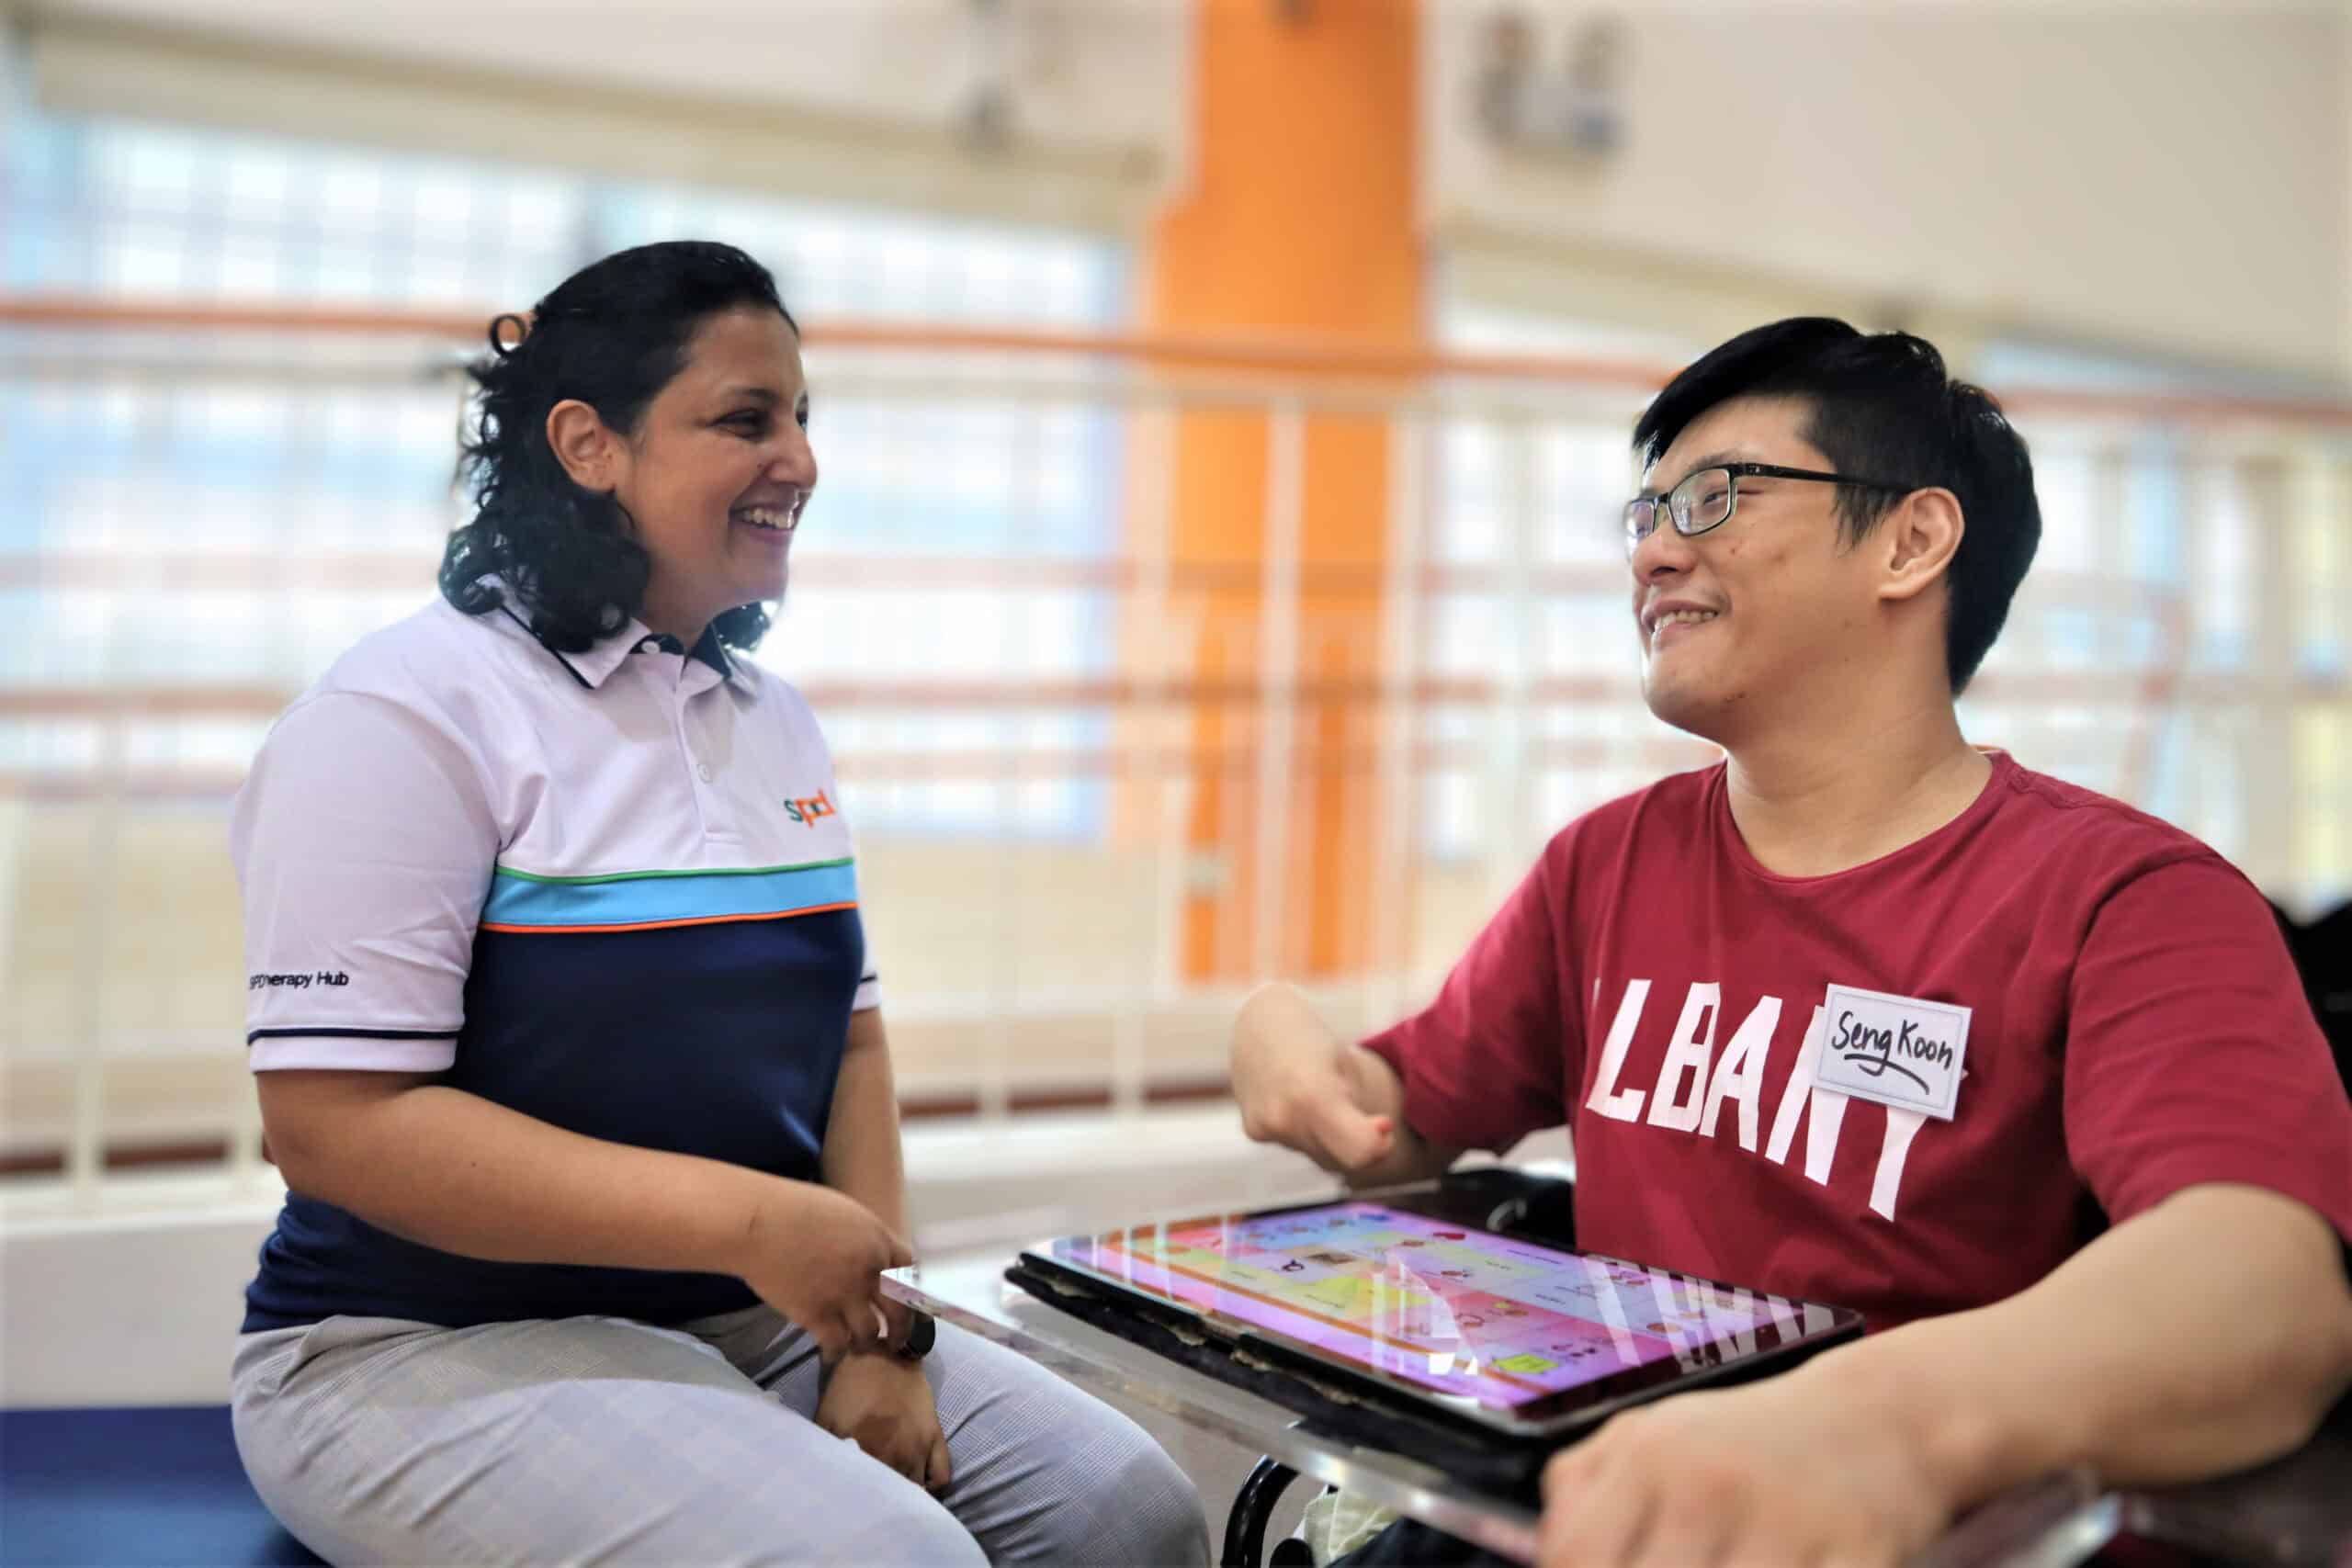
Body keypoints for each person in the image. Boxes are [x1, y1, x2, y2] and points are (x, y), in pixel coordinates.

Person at [1231, 319, 2352, 1568]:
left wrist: (1881, 1433)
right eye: (1646, 512)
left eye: (1713, 498)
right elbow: (1402, 1123)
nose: (1655, 549)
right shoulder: (1608, 865)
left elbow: (2267, 1287)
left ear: (1911, 540)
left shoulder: (2127, 897)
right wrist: (1295, 1047)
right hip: (1606, 1510)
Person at [229, 240, 1207, 1567]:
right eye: (746, 419)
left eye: (803, 418)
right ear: (589, 445)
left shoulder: (773, 724)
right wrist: (752, 1225)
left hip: (744, 1323)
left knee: (1130, 1518)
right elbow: (335, 1131)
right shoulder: (404, 716)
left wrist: (882, 1337)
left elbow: (850, 1047)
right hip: (414, 1352)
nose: (799, 459)